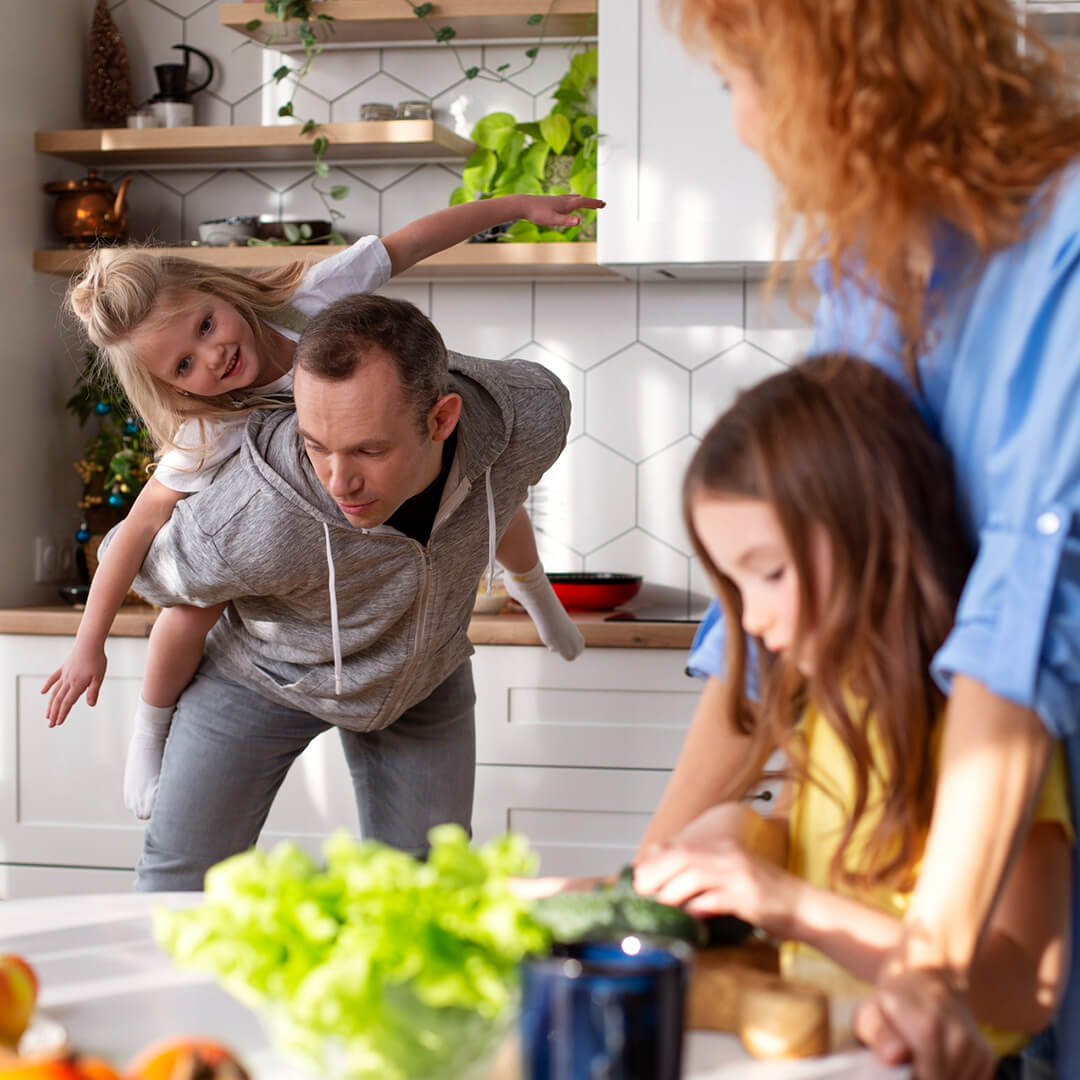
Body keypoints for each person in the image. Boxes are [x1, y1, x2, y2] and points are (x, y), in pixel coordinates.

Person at [637, 1, 1080, 1075]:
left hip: (1021, 802)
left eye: (745, 76)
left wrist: (929, 959)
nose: (741, 124)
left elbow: (1026, 614)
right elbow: (790, 570)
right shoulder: (864, 266)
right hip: (922, 782)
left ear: (850, 71)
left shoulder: (1067, 249)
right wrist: (646, 878)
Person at [42, 193, 596, 820]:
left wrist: (517, 205)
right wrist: (90, 644)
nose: (214, 356)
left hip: (379, 509)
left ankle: (535, 591)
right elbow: (140, 526)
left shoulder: (309, 302)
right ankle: (150, 732)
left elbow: (412, 240)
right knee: (194, 607)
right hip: (271, 555)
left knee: (484, 485)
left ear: (218, 291)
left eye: (205, 326)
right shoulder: (212, 428)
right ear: (172, 387)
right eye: (185, 365)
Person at [633, 354, 1073, 1070]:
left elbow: (1025, 986)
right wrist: (734, 835)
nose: (750, 619)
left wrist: (789, 905)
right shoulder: (834, 703)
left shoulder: (980, 727)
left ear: (873, 534)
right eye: (734, 587)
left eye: (770, 573)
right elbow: (807, 835)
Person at [107, 291, 572, 890]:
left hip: (421, 674)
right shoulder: (257, 510)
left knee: (426, 895)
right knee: (177, 881)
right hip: (265, 675)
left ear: (442, 418)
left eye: (369, 450)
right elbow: (155, 575)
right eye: (315, 445)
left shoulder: (530, 416)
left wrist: (535, 589)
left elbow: (506, 499)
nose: (338, 481)